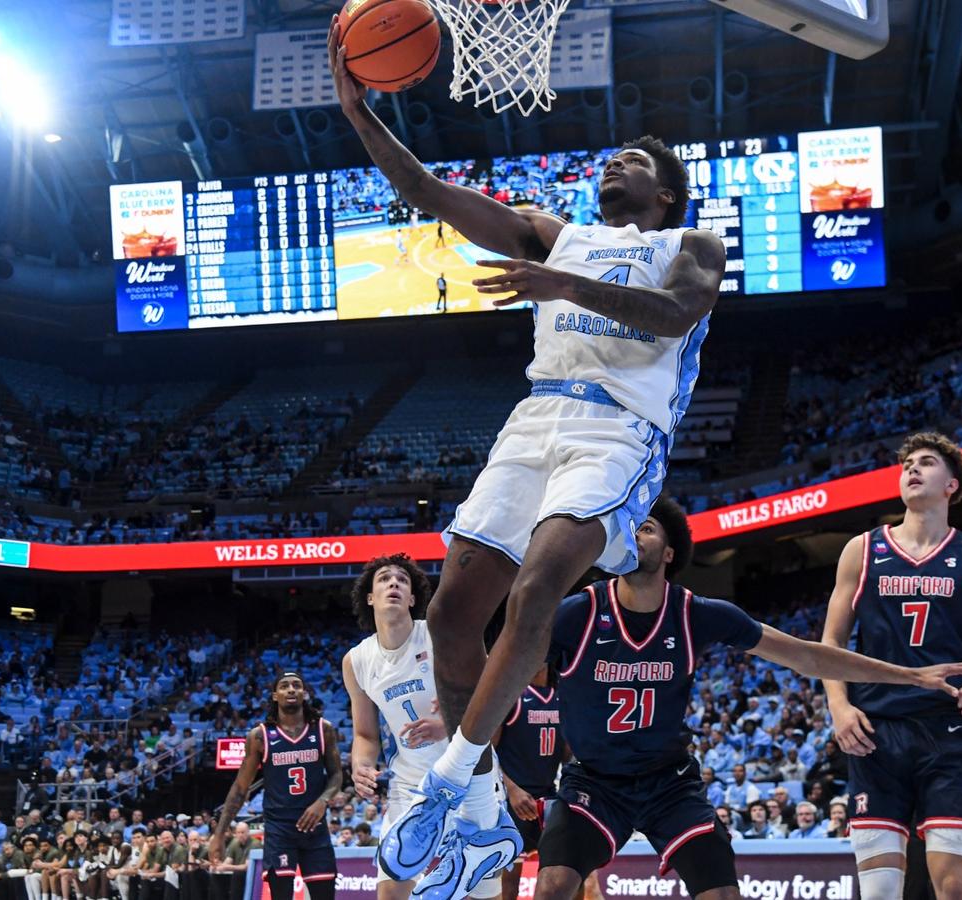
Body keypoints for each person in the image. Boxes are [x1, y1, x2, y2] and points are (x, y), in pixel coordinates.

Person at [329, 25, 729, 892]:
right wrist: (358, 111)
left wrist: (564, 286)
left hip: (617, 430)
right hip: (535, 417)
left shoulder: (690, 247)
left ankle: (443, 787)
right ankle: (478, 826)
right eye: (612, 157)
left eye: (633, 160)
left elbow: (673, 316)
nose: (613, 165)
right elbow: (424, 189)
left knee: (542, 582)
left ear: (665, 193)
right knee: (454, 606)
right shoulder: (557, 232)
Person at [525, 498, 962, 900]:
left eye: (645, 527)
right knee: (552, 885)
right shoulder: (578, 613)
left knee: (722, 893)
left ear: (669, 553)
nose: (633, 534)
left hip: (667, 782)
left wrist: (909, 676)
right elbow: (511, 673)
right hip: (595, 782)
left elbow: (805, 656)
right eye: (629, 528)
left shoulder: (697, 614)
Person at [820, 433, 962, 900]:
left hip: (946, 729)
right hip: (875, 733)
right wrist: (839, 708)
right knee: (881, 890)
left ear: (952, 485)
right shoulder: (862, 551)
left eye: (926, 463)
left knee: (957, 888)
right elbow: (831, 643)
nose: (912, 470)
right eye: (907, 465)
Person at [339, 555, 492, 900]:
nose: (393, 583)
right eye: (384, 579)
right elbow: (365, 734)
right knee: (391, 891)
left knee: (477, 895)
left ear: (412, 599)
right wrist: (361, 764)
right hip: (411, 785)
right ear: (369, 597)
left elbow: (491, 696)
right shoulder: (356, 661)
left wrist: (448, 724)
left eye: (402, 581)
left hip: (468, 775)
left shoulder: (441, 636)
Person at [209, 672, 342, 900]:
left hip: (315, 828)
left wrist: (322, 801)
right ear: (274, 696)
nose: (291, 689)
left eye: (297, 685)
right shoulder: (260, 736)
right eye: (284, 686)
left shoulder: (323, 729)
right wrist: (219, 835)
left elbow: (337, 774)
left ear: (304, 693)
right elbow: (240, 788)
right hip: (279, 830)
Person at [495, 668, 566, 900]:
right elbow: (487, 753)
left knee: (561, 876)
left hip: (548, 798)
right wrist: (512, 790)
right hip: (511, 800)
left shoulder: (561, 698)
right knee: (508, 882)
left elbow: (566, 755)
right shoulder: (510, 696)